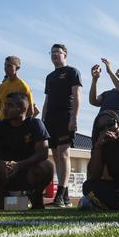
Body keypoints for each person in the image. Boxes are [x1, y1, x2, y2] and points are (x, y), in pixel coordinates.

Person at [0, 93, 54, 209]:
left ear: (23, 109)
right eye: (5, 105)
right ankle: (3, 196)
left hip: (28, 172)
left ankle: (36, 195)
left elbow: (43, 153)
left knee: (47, 167)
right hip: (4, 172)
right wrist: (2, 164)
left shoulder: (36, 124)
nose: (5, 109)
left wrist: (19, 165)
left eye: (10, 105)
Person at [42, 43, 82, 207]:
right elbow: (46, 100)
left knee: (63, 152)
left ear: (65, 54)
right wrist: (43, 121)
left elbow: (77, 95)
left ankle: (60, 194)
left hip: (66, 116)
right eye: (52, 52)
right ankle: (64, 197)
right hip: (50, 119)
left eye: (57, 52)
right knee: (56, 155)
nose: (54, 55)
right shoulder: (49, 77)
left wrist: (74, 118)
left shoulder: (72, 72)